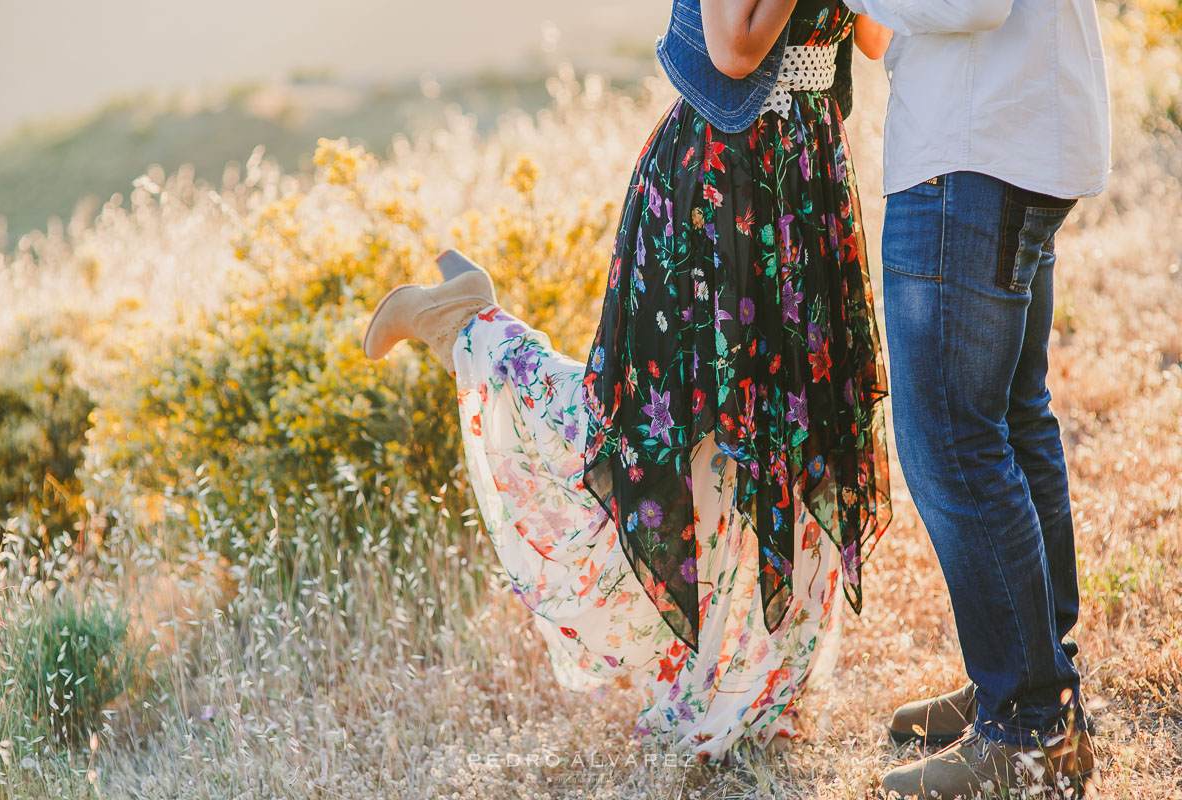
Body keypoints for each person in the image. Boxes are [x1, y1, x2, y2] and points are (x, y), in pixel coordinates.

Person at [362, 0, 892, 763]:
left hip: (805, 177)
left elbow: (872, 40)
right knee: (654, 437)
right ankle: (470, 327)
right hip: (718, 188)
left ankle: (758, 683)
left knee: (794, 436)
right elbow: (733, 50)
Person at [835, 0, 1111, 796]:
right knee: (1014, 421)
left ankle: (1030, 728)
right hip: (1015, 132)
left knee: (952, 441)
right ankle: (1037, 677)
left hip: (975, 148)